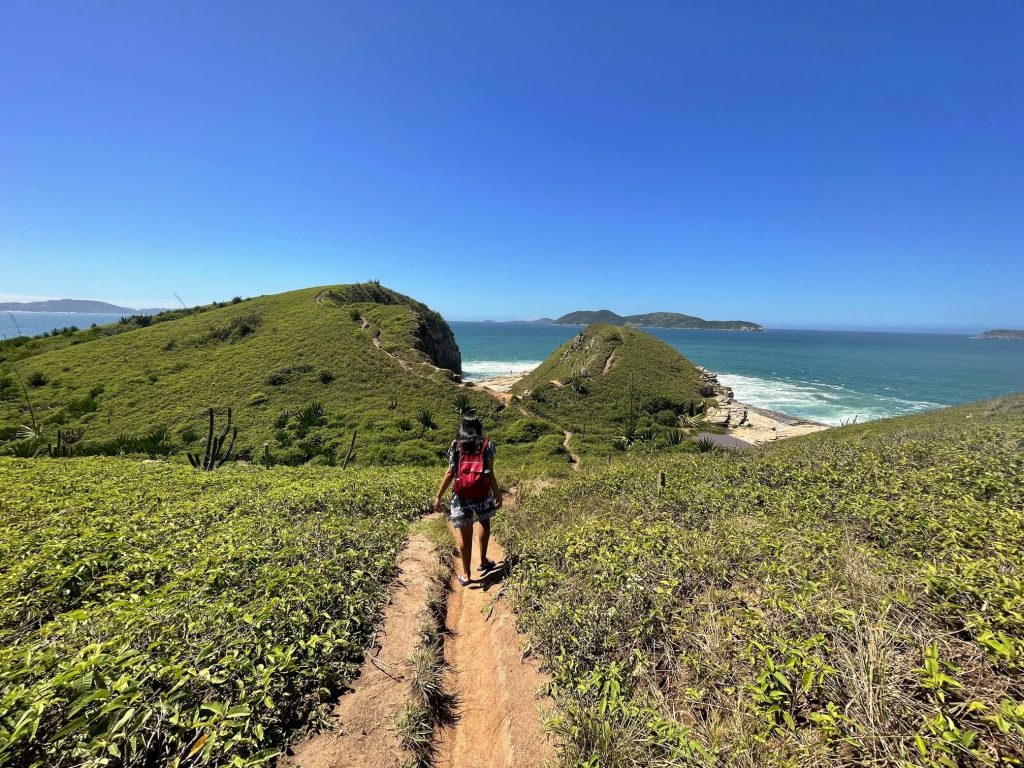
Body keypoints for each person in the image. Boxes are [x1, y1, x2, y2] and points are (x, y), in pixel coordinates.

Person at [433, 415, 502, 586]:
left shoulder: (456, 445)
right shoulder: (488, 445)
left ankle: (466, 574)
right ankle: (484, 560)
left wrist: (438, 496)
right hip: (483, 494)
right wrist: (497, 493)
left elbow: (450, 472)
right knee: (484, 523)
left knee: (465, 536)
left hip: (461, 495)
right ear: (479, 428)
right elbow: (490, 473)